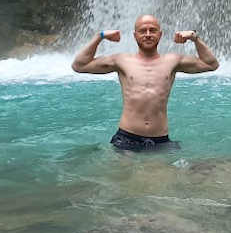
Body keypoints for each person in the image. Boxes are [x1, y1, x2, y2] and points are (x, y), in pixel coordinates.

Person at [71, 15, 219, 153]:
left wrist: (195, 38)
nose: (148, 34)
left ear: (160, 34)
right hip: (127, 138)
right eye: (143, 31)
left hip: (161, 140)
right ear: (135, 35)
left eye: (152, 30)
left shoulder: (173, 61)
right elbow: (79, 65)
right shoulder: (121, 60)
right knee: (121, 180)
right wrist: (100, 36)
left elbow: (211, 64)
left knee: (165, 180)